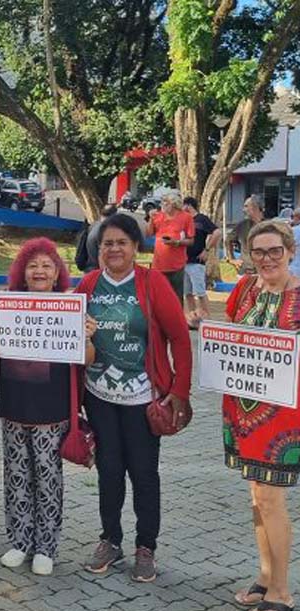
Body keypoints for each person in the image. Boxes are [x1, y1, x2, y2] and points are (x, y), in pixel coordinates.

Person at [75, 214, 192, 582]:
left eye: (121, 243)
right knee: (109, 472)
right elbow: (66, 336)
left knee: (143, 474)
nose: (113, 249)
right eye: (107, 243)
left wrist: (179, 391)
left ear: (134, 246)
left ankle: (146, 546)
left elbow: (180, 339)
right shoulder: (89, 284)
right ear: (99, 248)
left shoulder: (151, 282)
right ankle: (110, 539)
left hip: (144, 399)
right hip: (99, 396)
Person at [0, 238, 96, 576]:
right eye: (33, 265)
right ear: (22, 272)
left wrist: (87, 337)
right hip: (14, 404)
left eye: (47, 265)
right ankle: (19, 541)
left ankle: (46, 546)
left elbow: (89, 358)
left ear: (58, 271)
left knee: (47, 477)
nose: (40, 271)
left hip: (52, 407)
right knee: (16, 475)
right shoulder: (6, 306)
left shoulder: (70, 306)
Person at [223, 220, 299, 611]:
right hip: (244, 411)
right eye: (259, 252)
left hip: (284, 418)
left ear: (290, 250)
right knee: (257, 496)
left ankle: (282, 593)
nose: (267, 259)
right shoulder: (245, 290)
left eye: (275, 250)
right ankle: (267, 576)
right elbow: (230, 336)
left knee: (271, 499)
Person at [145, 193, 194, 301]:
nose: (162, 205)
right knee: (158, 297)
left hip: (177, 264)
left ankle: (176, 317)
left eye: (165, 202)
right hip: (158, 264)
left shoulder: (186, 217)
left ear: (173, 204)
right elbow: (148, 233)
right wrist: (150, 218)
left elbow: (191, 240)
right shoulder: (158, 216)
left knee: (176, 297)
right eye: (162, 202)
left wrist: (176, 242)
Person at [182, 197, 220, 324]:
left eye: (183, 206)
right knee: (187, 293)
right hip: (183, 261)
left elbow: (217, 232)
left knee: (200, 292)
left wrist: (207, 249)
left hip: (196, 262)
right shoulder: (183, 220)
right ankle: (193, 319)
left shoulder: (201, 219)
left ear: (188, 206)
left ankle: (208, 319)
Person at [227, 195, 265, 275]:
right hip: (246, 270)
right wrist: (232, 259)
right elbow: (228, 240)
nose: (243, 210)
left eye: (246, 206)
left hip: (264, 269)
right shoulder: (242, 225)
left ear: (255, 207)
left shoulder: (268, 226)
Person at [83, 205, 118, 272]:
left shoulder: (93, 226)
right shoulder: (106, 231)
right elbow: (102, 256)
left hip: (89, 270)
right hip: (99, 273)